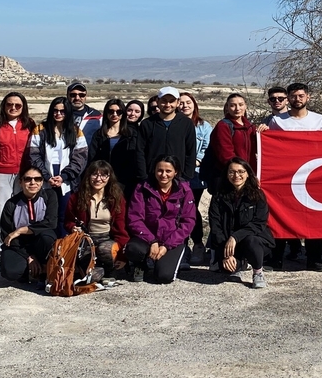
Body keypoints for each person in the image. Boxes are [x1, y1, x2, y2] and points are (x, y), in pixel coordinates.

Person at [258, 82, 322, 271]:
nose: (297, 99)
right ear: (288, 98)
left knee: (313, 217)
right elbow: (270, 149)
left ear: (308, 97)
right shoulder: (277, 121)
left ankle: (314, 259)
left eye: (300, 95)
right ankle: (276, 259)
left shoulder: (319, 120)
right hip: (285, 178)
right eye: (293, 96)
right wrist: (263, 134)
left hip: (312, 176)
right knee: (280, 216)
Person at [125, 155, 197, 284]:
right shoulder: (142, 188)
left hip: (172, 240)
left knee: (164, 276)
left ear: (176, 172)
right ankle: (141, 265)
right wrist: (152, 240)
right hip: (147, 238)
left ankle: (178, 256)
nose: (163, 174)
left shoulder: (185, 191)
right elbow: (134, 218)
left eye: (168, 171)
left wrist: (166, 246)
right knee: (133, 249)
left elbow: (188, 222)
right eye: (160, 170)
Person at [209, 158, 275, 289]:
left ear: (248, 174)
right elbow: (215, 225)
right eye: (232, 172)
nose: (236, 176)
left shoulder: (257, 195)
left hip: (255, 240)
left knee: (251, 241)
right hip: (228, 243)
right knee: (226, 269)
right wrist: (226, 254)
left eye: (241, 172)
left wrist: (235, 237)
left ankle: (257, 272)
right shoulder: (218, 196)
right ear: (226, 174)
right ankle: (240, 263)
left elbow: (259, 223)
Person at [29, 96, 89, 236]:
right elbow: (34, 154)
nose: (58, 114)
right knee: (45, 215)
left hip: (66, 180)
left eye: (62, 111)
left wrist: (64, 176)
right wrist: (46, 176)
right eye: (55, 111)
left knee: (64, 216)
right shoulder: (40, 129)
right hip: (45, 178)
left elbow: (80, 157)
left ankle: (62, 248)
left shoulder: (76, 131)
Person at [0, 92, 35, 252]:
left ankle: (22, 251)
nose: (13, 108)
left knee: (24, 215)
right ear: (4, 106)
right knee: (2, 216)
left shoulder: (30, 124)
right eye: (9, 104)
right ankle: (1, 253)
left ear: (23, 107)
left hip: (24, 176)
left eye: (17, 105)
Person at [68, 160, 129, 277]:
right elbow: (68, 221)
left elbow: (121, 227)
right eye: (94, 174)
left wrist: (122, 256)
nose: (98, 179)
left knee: (104, 249)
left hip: (107, 239)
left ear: (109, 177)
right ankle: (96, 271)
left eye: (103, 175)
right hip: (86, 239)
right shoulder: (77, 197)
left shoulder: (116, 198)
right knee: (90, 276)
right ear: (88, 176)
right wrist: (72, 227)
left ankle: (109, 269)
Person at [0, 166, 58, 284]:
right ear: (20, 182)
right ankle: (33, 270)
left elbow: (51, 223)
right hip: (20, 246)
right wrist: (29, 256)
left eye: (37, 179)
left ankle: (44, 269)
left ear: (42, 182)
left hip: (41, 243)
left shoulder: (49, 196)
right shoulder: (12, 203)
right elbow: (7, 235)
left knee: (47, 237)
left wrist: (22, 230)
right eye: (28, 179)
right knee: (10, 272)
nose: (33, 182)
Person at [134, 87, 198, 190]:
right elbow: (140, 151)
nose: (168, 105)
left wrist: (186, 176)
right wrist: (144, 176)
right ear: (158, 102)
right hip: (151, 178)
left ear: (178, 103)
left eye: (171, 101)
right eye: (164, 101)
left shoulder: (186, 124)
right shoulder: (147, 124)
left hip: (178, 179)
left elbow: (190, 152)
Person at [178, 91, 213, 264]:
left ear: (194, 104)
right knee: (178, 211)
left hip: (195, 177)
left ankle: (198, 245)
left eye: (188, 102)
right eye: (181, 102)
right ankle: (181, 245)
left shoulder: (204, 126)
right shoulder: (174, 125)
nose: (185, 105)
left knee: (191, 209)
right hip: (175, 176)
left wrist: (195, 162)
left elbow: (207, 148)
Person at [205, 92, 257, 193]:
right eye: (233, 105)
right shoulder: (223, 126)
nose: (237, 108)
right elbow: (225, 155)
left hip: (246, 176)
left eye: (241, 105)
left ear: (245, 106)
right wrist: (238, 173)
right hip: (229, 177)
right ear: (227, 107)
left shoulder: (250, 127)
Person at [89, 98, 140, 194]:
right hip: (102, 180)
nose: (114, 114)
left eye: (118, 111)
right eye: (111, 111)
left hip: (125, 181)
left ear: (123, 113)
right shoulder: (99, 134)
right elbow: (92, 158)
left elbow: (135, 157)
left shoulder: (131, 134)